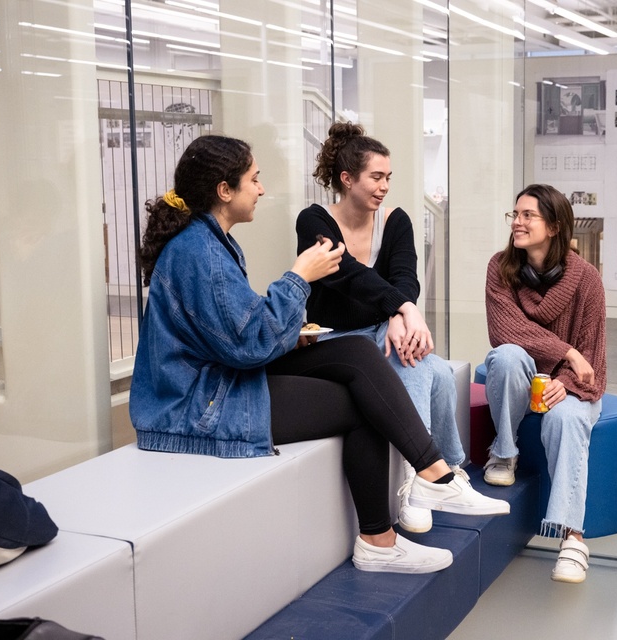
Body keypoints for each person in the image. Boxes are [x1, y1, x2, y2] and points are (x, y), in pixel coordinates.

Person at [129, 134, 509, 575]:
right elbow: (249, 345)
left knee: (355, 354)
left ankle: (431, 478)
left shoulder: (209, 242)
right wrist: (298, 277)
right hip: (198, 406)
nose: (262, 189)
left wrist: (299, 316)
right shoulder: (201, 251)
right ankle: (388, 532)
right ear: (224, 190)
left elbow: (237, 332)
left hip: (221, 381)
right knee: (364, 402)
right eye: (254, 179)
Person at [295, 122, 471, 534]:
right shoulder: (313, 219)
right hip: (335, 337)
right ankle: (434, 472)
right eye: (376, 177)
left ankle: (426, 479)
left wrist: (397, 315)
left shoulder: (396, 220)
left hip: (380, 328)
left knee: (419, 357)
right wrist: (401, 308)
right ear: (347, 178)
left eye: (388, 177)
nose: (384, 186)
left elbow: (405, 277)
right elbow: (346, 275)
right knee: (434, 370)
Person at [481, 184, 607, 583]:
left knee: (566, 419)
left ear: (553, 226)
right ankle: (504, 453)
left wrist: (566, 383)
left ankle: (572, 538)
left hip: (570, 384)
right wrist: (566, 352)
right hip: (524, 372)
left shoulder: (586, 279)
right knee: (506, 355)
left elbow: (592, 359)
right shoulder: (500, 267)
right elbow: (506, 330)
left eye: (527, 216)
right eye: (514, 215)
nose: (517, 222)